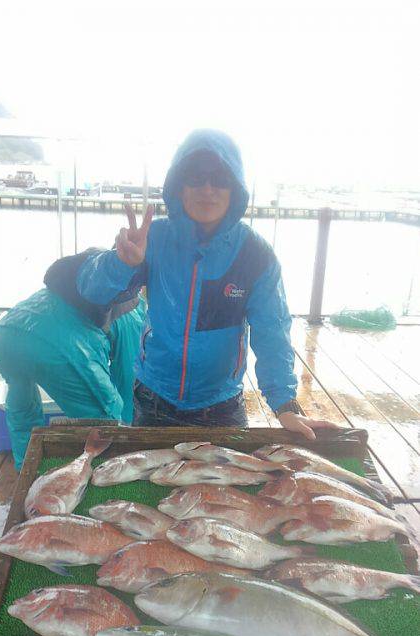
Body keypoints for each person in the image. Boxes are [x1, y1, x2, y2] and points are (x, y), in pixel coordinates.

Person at [75, 129, 337, 437]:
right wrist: (121, 263)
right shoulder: (151, 239)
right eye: (196, 177)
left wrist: (286, 405)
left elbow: (272, 332)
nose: (208, 189)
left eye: (220, 179)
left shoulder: (256, 254)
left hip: (222, 406)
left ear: (235, 189)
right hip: (153, 399)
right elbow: (92, 291)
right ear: (179, 186)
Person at [0, 249, 146, 470]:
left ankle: (26, 469)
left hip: (6, 333)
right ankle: (104, 476)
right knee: (105, 422)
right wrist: (128, 427)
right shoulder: (134, 310)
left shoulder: (94, 273)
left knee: (22, 406)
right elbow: (127, 376)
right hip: (59, 348)